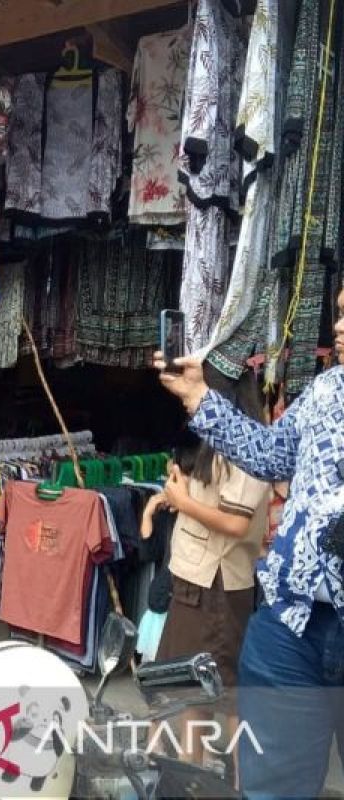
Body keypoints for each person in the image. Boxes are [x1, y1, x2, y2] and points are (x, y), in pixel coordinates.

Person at [155, 286, 344, 798]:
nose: (341, 328)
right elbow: (267, 454)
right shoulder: (327, 392)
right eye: (341, 313)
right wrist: (197, 397)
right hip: (292, 624)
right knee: (269, 787)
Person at [141, 367, 270, 768]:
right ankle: (189, 779)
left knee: (222, 693)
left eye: (198, 388)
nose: (189, 396)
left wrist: (183, 502)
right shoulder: (212, 441)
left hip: (217, 586)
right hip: (194, 579)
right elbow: (204, 501)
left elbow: (235, 523)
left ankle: (240, 785)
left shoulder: (247, 447)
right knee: (188, 692)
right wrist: (179, 488)